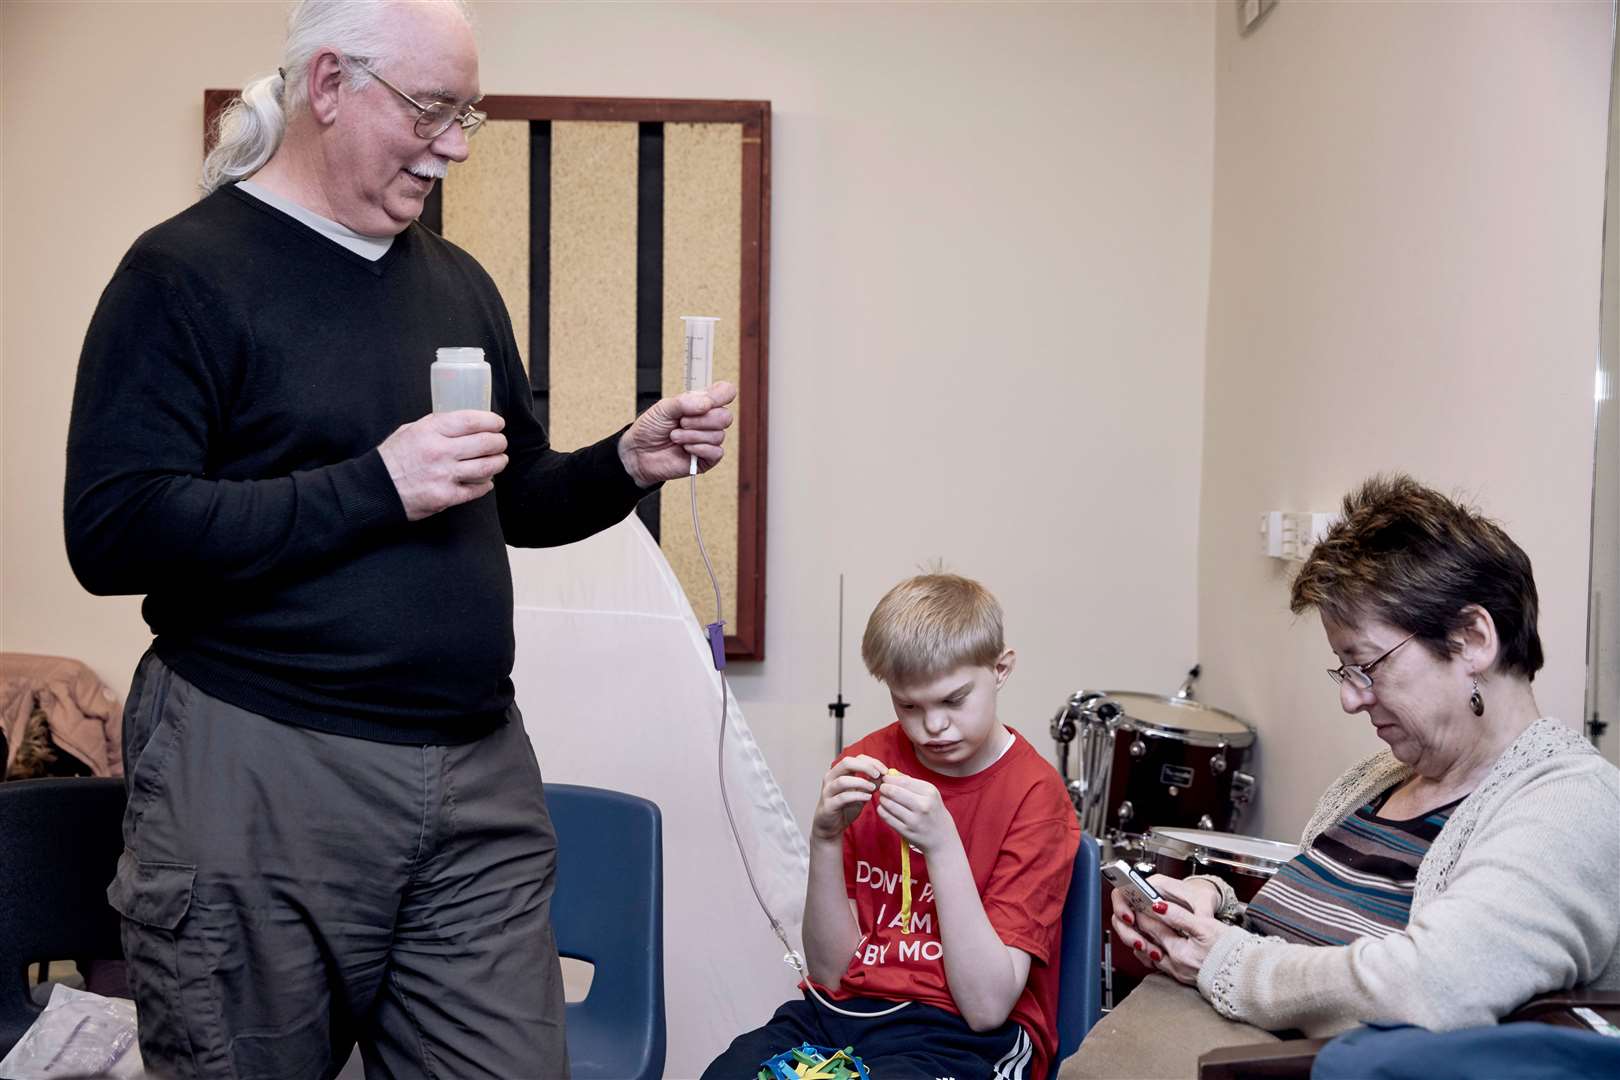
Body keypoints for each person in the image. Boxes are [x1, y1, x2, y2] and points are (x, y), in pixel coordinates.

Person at [61, 2, 734, 1077]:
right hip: (259, 772)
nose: (458, 143)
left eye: (468, 112)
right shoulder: (182, 275)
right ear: (328, 85)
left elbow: (514, 497)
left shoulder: (456, 279)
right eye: (432, 109)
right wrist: (375, 484)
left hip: (476, 777)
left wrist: (627, 461)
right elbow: (113, 530)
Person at [1109, 475, 1620, 1038]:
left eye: (1369, 665)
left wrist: (1224, 961)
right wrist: (1212, 906)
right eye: (1344, 670)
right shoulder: (1378, 779)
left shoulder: (1574, 803)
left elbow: (1432, 986)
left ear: (1473, 639)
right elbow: (1321, 942)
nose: (1351, 699)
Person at [703, 574, 1080, 1080]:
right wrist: (825, 840)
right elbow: (831, 974)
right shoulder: (865, 763)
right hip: (842, 1014)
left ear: (1001, 669)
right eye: (908, 706)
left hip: (962, 1034)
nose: (933, 726)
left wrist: (943, 845)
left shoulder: (1035, 796)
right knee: (729, 1072)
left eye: (953, 700)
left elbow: (986, 1007)